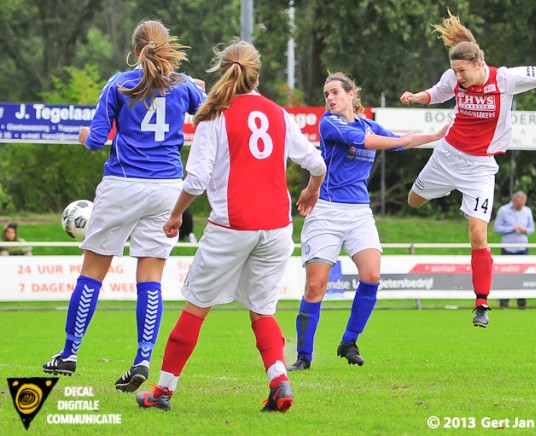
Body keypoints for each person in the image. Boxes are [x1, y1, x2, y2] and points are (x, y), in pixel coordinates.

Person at [135, 39, 327, 413]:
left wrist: (175, 215)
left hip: (232, 225)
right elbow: (317, 164)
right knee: (262, 311)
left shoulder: (215, 114)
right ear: (257, 73)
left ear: (223, 70)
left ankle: (163, 391)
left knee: (196, 308)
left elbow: (195, 181)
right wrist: (311, 190)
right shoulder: (278, 114)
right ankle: (278, 381)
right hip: (276, 228)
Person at [399, 10, 536, 327]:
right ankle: (442, 190)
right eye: (455, 71)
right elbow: (437, 92)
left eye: (462, 70)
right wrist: (416, 97)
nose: (458, 77)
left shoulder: (505, 79)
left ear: (478, 65)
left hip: (479, 169)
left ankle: (481, 304)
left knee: (478, 234)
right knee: (413, 202)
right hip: (447, 156)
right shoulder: (454, 78)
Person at [42, 20, 207, 393]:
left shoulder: (118, 83)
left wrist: (83, 135)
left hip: (122, 185)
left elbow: (97, 139)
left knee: (92, 273)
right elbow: (210, 112)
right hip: (166, 188)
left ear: (134, 51)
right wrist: (199, 88)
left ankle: (69, 353)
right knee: (150, 277)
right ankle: (142, 358)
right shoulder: (183, 86)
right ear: (166, 49)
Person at [287, 72, 449, 372]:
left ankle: (349, 341)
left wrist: (438, 135)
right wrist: (401, 139)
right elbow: (369, 141)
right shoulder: (329, 122)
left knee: (372, 276)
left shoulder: (368, 124)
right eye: (326, 95)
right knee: (315, 287)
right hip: (327, 211)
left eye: (335, 92)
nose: (330, 99)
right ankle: (304, 356)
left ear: (351, 94)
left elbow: (403, 142)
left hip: (359, 212)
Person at [492, 191, 534, 309]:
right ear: (514, 201)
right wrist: (511, 228)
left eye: (522, 205)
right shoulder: (503, 210)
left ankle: (522, 303)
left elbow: (532, 229)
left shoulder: (527, 211)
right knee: (506, 275)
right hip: (508, 248)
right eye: (518, 205)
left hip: (522, 247)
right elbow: (497, 228)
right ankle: (504, 303)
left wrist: (525, 230)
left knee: (523, 275)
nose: (520, 207)